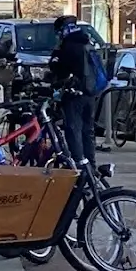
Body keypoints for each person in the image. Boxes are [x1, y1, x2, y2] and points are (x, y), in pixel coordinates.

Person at [49, 16, 96, 166]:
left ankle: (79, 164)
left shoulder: (68, 46)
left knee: (73, 129)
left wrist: (55, 59)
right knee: (87, 130)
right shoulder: (86, 42)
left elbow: (59, 68)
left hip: (73, 93)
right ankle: (91, 165)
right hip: (90, 92)